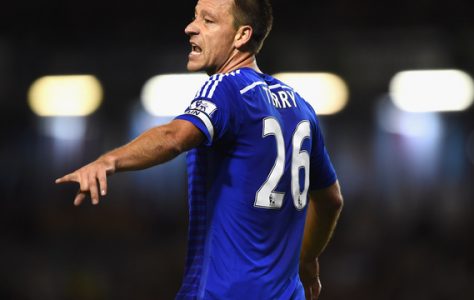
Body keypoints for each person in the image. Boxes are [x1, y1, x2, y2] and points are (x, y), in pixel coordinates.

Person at [55, 0, 344, 299]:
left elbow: (174, 137)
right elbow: (331, 200)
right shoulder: (301, 107)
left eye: (208, 21)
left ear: (241, 35)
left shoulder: (224, 86)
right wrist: (307, 259)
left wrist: (108, 161)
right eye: (195, 17)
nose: (190, 28)